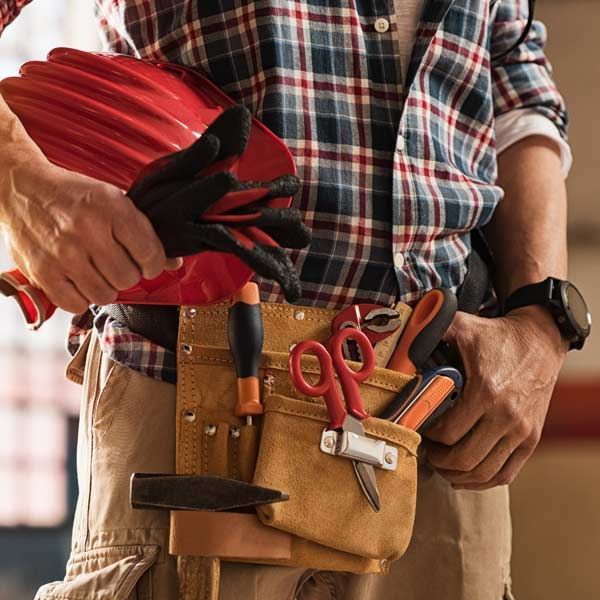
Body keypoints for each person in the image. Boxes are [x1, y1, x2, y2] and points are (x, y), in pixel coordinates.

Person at [0, 1, 575, 599]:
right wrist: (22, 182)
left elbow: (514, 82)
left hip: (439, 423)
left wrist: (544, 320)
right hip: (198, 412)